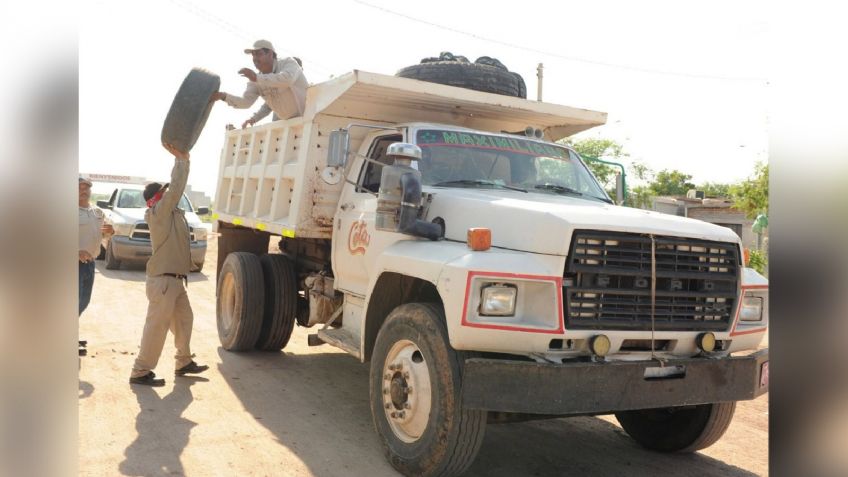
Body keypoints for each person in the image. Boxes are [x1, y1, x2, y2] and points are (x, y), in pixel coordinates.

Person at [129, 143, 208, 386]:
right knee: (157, 327)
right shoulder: (158, 213)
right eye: (163, 193)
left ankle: (183, 362)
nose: (168, 195)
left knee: (185, 320)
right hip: (163, 281)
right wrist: (181, 161)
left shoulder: (172, 214)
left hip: (174, 281)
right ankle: (140, 371)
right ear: (156, 198)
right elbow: (175, 189)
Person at [211, 39, 308, 129]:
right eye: (253, 55)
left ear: (270, 54)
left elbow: (287, 80)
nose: (255, 59)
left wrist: (256, 78)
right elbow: (246, 102)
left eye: (258, 54)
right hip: (290, 126)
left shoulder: (288, 63)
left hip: (312, 119)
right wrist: (223, 96)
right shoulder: (256, 81)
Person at [79, 176, 113, 356]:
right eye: (80, 187)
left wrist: (110, 233)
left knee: (83, 302)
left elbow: (106, 235)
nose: (84, 190)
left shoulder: (97, 212)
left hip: (89, 264)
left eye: (87, 188)